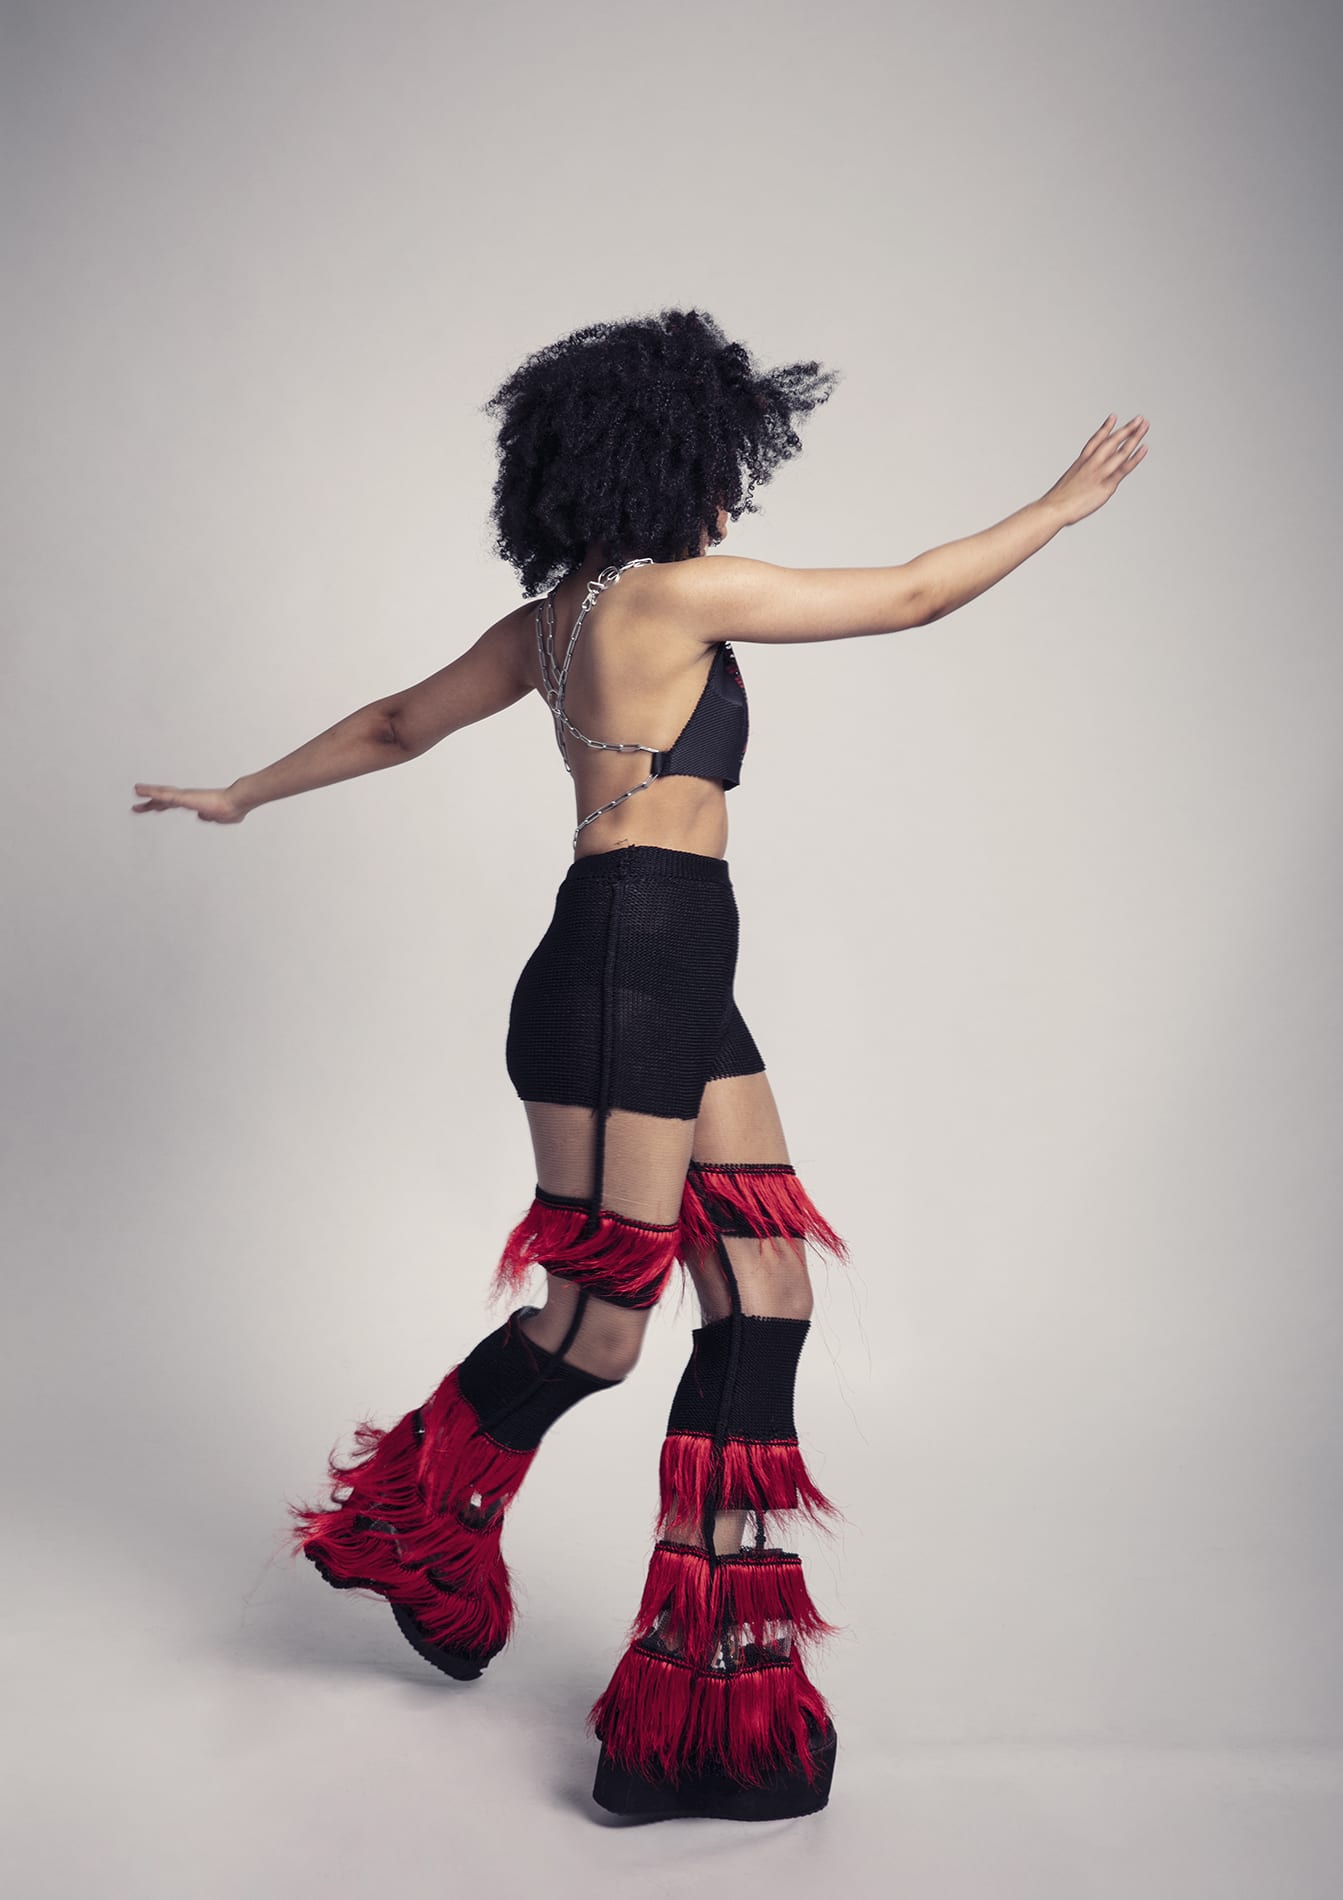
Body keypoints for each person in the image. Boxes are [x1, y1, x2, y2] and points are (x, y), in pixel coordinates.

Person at [131, 308, 1148, 1822]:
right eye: (725, 463)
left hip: (662, 971)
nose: (733, 493)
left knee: (766, 1294)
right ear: (673, 463)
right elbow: (913, 595)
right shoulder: (673, 595)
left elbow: (402, 723)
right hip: (628, 967)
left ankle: (693, 1680)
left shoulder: (551, 622)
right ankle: (492, 1582)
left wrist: (244, 792)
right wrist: (1058, 508)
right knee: (602, 1328)